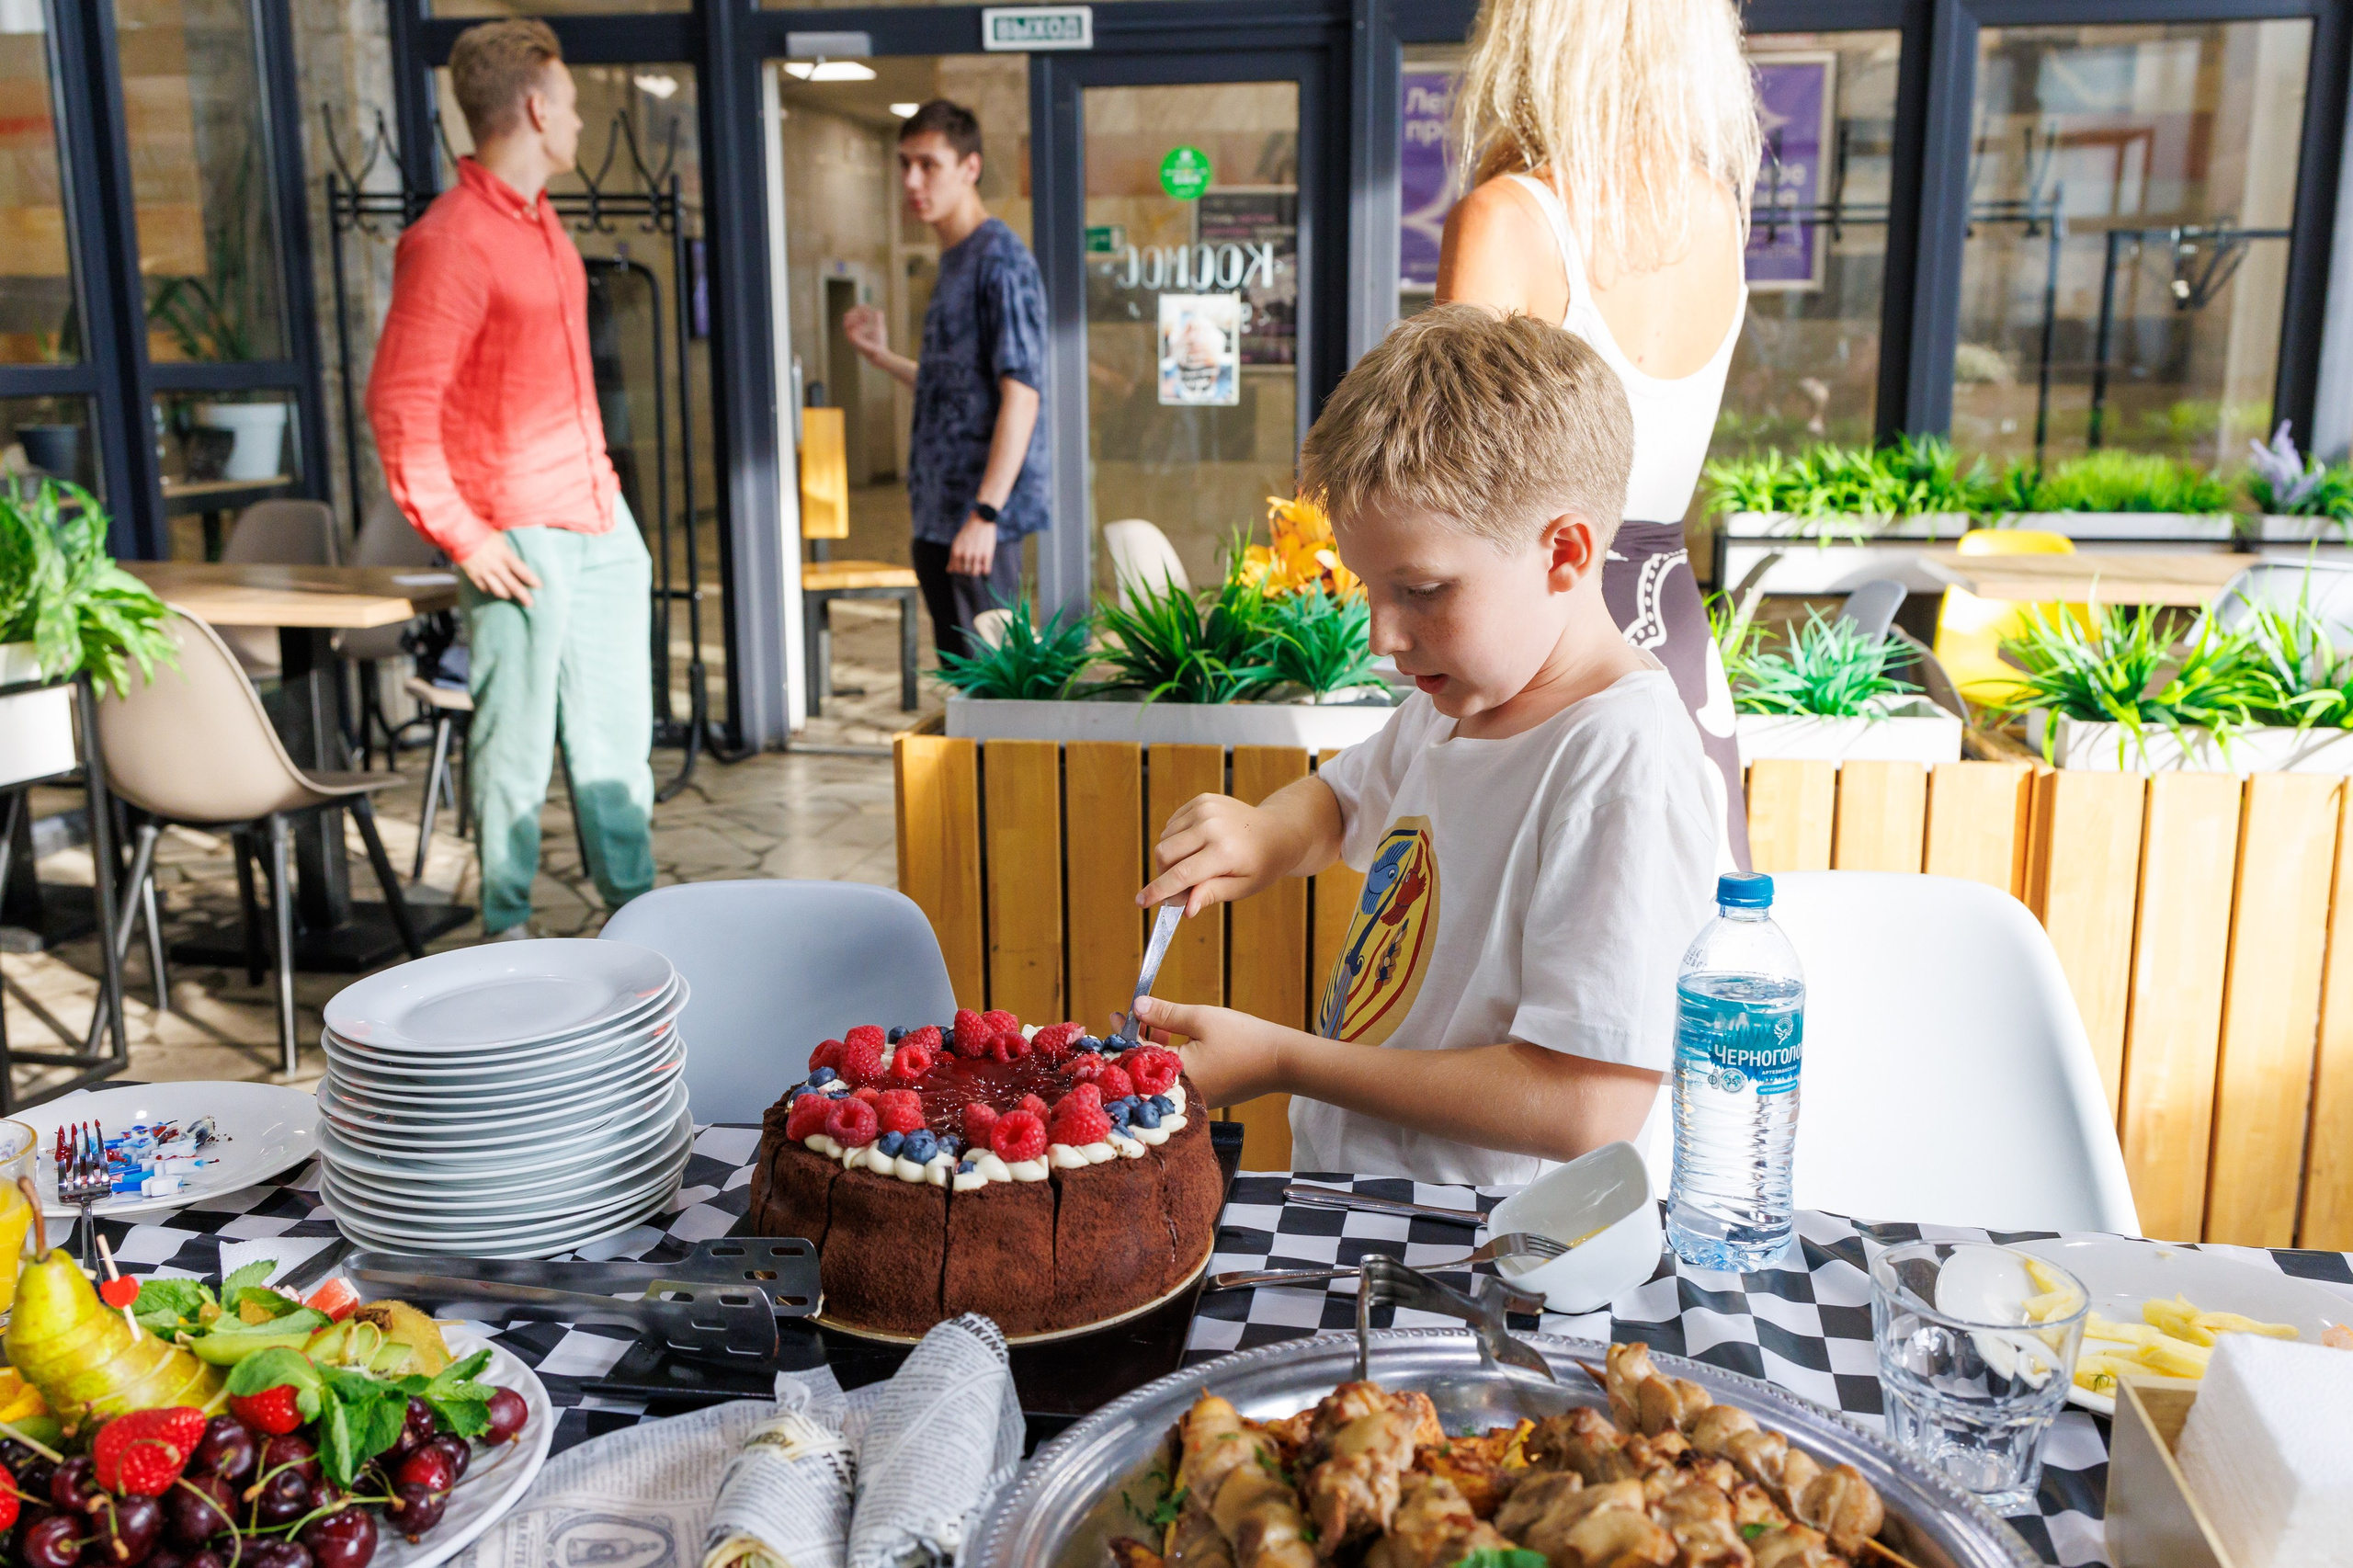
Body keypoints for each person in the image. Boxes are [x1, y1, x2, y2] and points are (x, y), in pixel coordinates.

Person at [1129, 306, 1718, 1185]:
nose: (1381, 636)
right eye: (1371, 588)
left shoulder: (1623, 764)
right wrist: (1263, 836)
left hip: (1488, 1255)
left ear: (1564, 550)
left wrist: (1286, 1060)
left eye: (1421, 589)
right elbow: (1338, 802)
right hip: (1365, 1212)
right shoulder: (1459, 699)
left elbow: (1586, 1107)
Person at [1435, 0, 1760, 869]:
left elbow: (1446, 496)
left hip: (1546, 636)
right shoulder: (1717, 214)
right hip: (1676, 637)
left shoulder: (1510, 218)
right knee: (1687, 956)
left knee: (1507, 967)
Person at [367, 18, 655, 939]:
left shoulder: (544, 229)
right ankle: (508, 933)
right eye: (568, 101)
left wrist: (608, 498)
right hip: (519, 526)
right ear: (534, 106)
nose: (577, 117)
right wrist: (466, 531)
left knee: (618, 743)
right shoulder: (450, 240)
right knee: (515, 748)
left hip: (596, 516)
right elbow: (400, 405)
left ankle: (641, 922)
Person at [841, 99, 1048, 661]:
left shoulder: (999, 261)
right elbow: (960, 391)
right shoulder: (956, 258)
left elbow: (1021, 395)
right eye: (904, 164)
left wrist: (985, 515)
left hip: (976, 527)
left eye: (928, 164)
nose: (911, 180)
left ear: (969, 168)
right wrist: (883, 358)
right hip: (938, 518)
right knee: (962, 682)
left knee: (995, 690)